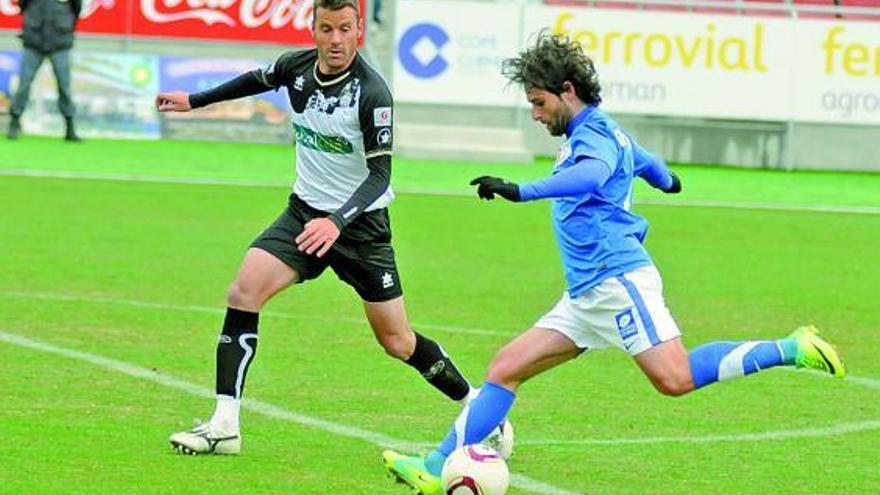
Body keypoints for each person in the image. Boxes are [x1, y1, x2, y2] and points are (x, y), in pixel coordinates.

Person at [382, 31, 846, 495]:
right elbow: (650, 163)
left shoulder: (595, 137)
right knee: (505, 368)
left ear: (568, 90)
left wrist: (520, 190)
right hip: (586, 293)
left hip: (617, 280)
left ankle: (792, 348)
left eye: (540, 103)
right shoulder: (607, 131)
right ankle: (434, 466)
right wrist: (667, 181)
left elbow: (593, 174)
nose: (536, 115)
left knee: (675, 378)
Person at [157, 0, 509, 456]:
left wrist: (337, 221)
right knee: (243, 292)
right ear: (314, 29)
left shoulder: (372, 93)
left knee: (397, 341)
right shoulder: (296, 67)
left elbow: (380, 176)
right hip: (304, 216)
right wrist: (195, 101)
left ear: (359, 30)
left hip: (360, 229)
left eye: (345, 29)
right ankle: (225, 424)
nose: (336, 39)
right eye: (327, 29)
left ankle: (480, 408)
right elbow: (253, 80)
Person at [6, 0, 82, 141]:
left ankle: (69, 127)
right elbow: (23, 5)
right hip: (34, 41)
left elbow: (76, 8)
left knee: (64, 86)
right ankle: (14, 121)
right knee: (24, 84)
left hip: (60, 41)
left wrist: (65, 25)